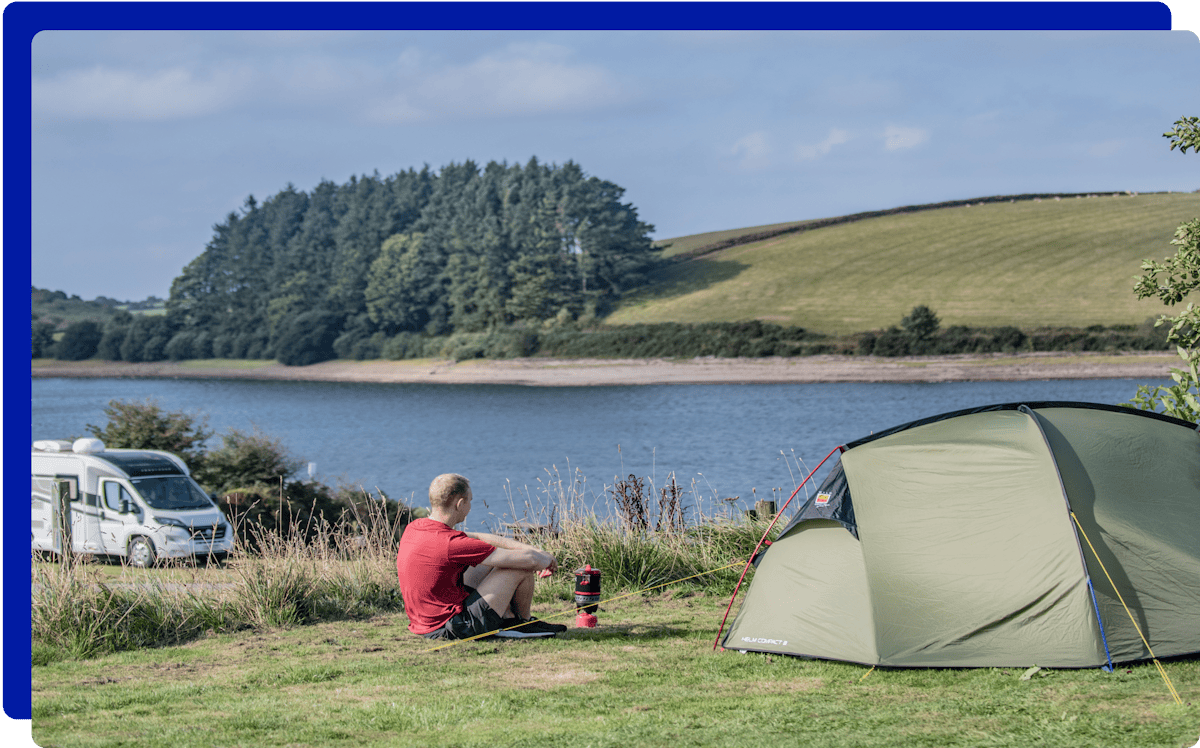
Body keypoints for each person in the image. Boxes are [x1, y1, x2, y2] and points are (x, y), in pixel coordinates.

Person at [396, 473, 567, 640]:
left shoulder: (416, 527)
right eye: (470, 501)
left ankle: (510, 618)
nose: (470, 507)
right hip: (456, 626)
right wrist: (547, 559)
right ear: (460, 503)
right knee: (520, 566)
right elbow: (531, 560)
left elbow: (478, 537)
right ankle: (522, 623)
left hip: (427, 623)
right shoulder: (452, 543)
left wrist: (532, 549)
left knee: (490, 562)